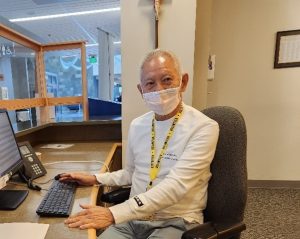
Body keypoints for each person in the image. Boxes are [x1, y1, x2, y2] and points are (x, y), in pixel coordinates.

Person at [61, 49, 219, 239]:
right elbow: (131, 173)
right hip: (133, 220)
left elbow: (176, 187)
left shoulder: (204, 127)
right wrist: (95, 178)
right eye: (150, 83)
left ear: (183, 82)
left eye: (167, 79)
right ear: (141, 90)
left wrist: (113, 213)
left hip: (177, 221)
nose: (159, 89)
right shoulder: (138, 125)